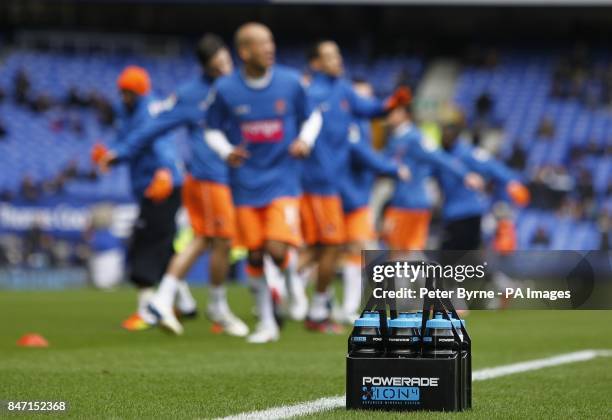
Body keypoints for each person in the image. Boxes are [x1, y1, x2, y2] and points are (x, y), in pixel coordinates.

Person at [95, 35, 248, 337]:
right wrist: (121, 154)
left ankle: (176, 301)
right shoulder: (190, 95)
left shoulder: (239, 88)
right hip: (206, 176)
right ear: (208, 67)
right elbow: (155, 131)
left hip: (234, 177)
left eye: (228, 61)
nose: (226, 67)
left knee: (212, 241)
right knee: (213, 239)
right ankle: (188, 302)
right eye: (221, 63)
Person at [205, 22, 322, 343]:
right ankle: (267, 324)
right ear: (244, 52)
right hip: (244, 183)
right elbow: (210, 128)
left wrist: (305, 141)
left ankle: (292, 283)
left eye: (271, 41)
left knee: (275, 246)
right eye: (261, 44)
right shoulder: (227, 89)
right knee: (255, 255)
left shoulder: (290, 82)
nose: (270, 48)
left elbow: (313, 116)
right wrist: (226, 150)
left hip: (282, 179)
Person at [298, 40, 411, 332]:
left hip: (333, 188)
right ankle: (312, 306)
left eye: (339, 55)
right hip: (318, 184)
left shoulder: (344, 91)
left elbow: (371, 108)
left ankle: (304, 298)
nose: (338, 61)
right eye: (330, 57)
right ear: (317, 63)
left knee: (323, 248)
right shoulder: (312, 94)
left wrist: (391, 103)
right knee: (333, 246)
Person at [91, 66, 183, 331]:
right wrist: (111, 155)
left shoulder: (150, 109)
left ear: (141, 92)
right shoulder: (125, 111)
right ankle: (184, 304)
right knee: (163, 245)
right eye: (123, 92)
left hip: (164, 185)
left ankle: (147, 310)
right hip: (146, 186)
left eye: (129, 93)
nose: (125, 97)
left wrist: (165, 171)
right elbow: (128, 143)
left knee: (143, 243)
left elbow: (160, 142)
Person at [336, 79, 410, 323]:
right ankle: (293, 299)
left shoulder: (364, 125)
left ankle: (345, 308)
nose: (367, 103)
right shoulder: (348, 124)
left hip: (355, 195)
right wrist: (392, 168)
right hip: (338, 195)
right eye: (361, 97)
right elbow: (363, 154)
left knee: (354, 249)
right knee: (318, 251)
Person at [382, 103, 484, 252]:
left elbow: (440, 158)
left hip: (410, 202)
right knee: (401, 248)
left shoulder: (414, 137)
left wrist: (465, 175)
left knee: (401, 248)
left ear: (404, 114)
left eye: (393, 111)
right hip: (402, 199)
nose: (387, 114)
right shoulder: (396, 138)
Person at [435, 105, 530, 250]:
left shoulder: (466, 152)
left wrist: (513, 182)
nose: (446, 133)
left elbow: (493, 166)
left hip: (467, 212)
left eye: (450, 129)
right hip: (450, 212)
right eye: (444, 128)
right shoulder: (437, 154)